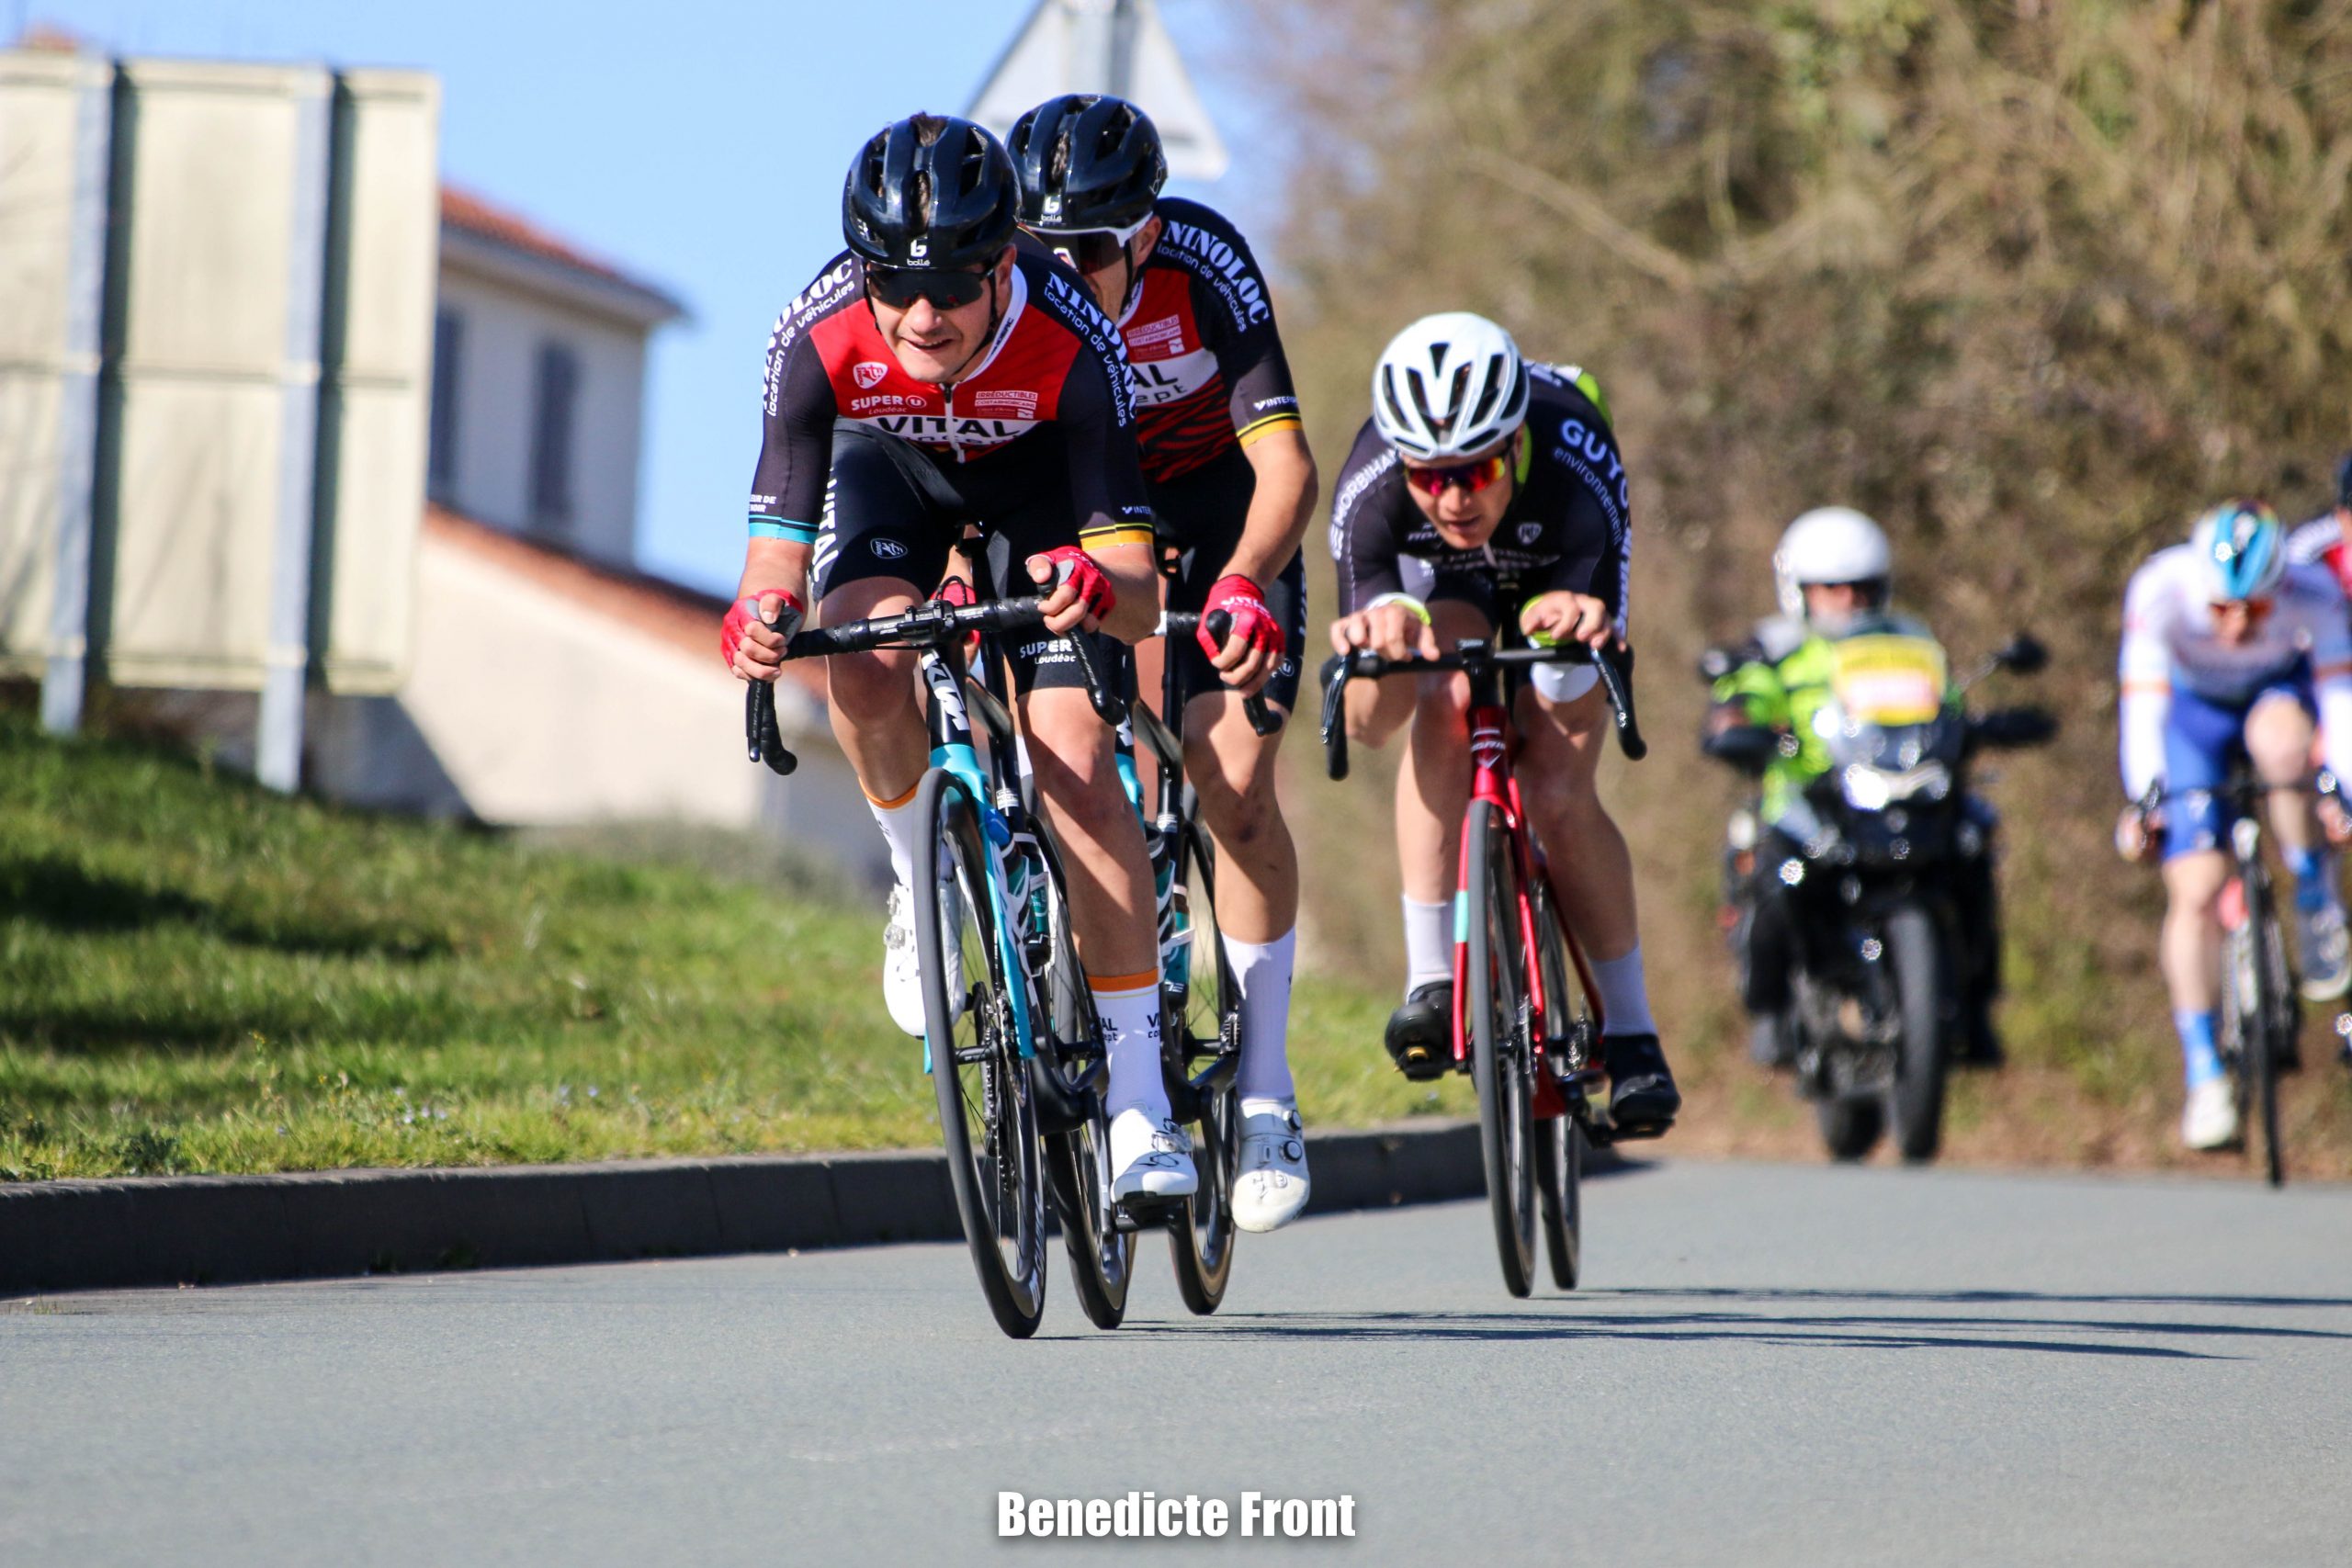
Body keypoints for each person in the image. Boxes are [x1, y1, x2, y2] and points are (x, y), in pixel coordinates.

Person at [724, 113, 1193, 1201]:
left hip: (1040, 487)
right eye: (893, 285)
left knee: (1073, 761)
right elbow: (776, 551)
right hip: (890, 471)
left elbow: (1135, 592)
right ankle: (917, 876)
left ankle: (1140, 1106)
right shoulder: (816, 332)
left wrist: (1094, 589)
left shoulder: (1075, 338)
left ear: (1002, 268)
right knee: (864, 661)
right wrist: (760, 615)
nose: (921, 315)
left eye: (949, 287)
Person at [1009, 94, 1321, 1232]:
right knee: (1065, 758)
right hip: (1082, 514)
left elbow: (1286, 467)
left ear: (1145, 231)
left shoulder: (1203, 262)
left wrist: (1241, 579)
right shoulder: (1005, 286)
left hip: (1215, 508)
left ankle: (1266, 1089)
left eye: (1091, 249)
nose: (1065, 270)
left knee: (1229, 781)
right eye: (1042, 247)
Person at [1326, 311, 1679, 1136]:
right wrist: (1382, 637)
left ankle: (1633, 1033)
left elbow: (1598, 633)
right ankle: (1430, 976)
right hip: (1444, 586)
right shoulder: (1371, 482)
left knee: (1557, 786)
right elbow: (1368, 725)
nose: (1453, 498)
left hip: (1559, 568)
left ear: (1515, 442)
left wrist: (1583, 620)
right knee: (1443, 697)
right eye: (1428, 476)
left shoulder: (1574, 452)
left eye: (1476, 470)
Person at [1703, 508, 2007, 1068]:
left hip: (1901, 793)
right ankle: (1772, 1010)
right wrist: (1739, 720)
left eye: (1862, 588)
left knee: (1974, 854)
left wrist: (1977, 725)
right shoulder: (1775, 647)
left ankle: (1975, 1005)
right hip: (1809, 800)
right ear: (1799, 591)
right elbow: (1746, 694)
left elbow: (1944, 703)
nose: (1848, 601)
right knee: (1776, 879)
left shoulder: (1909, 641)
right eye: (1832, 589)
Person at [2113, 501, 2352, 1150]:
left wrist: (2341, 791)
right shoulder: (2161, 589)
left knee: (2283, 746)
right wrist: (2145, 800)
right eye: (2222, 609)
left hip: (2275, 697)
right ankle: (2204, 1073)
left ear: (2281, 588)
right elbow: (2142, 706)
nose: (2239, 624)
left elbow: (2338, 698)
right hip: (2193, 716)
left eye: (2256, 608)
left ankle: (2313, 889)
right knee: (2194, 888)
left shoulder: (2313, 589)